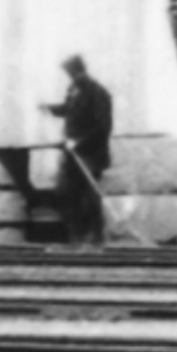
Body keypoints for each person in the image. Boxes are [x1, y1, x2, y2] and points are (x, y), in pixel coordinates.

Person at [43, 55, 114, 245]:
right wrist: (50, 109)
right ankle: (76, 238)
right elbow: (69, 109)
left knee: (90, 198)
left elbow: (103, 128)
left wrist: (80, 142)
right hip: (72, 156)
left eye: (72, 73)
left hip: (91, 156)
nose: (71, 77)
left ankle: (96, 240)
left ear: (80, 71)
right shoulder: (75, 89)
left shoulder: (98, 93)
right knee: (67, 193)